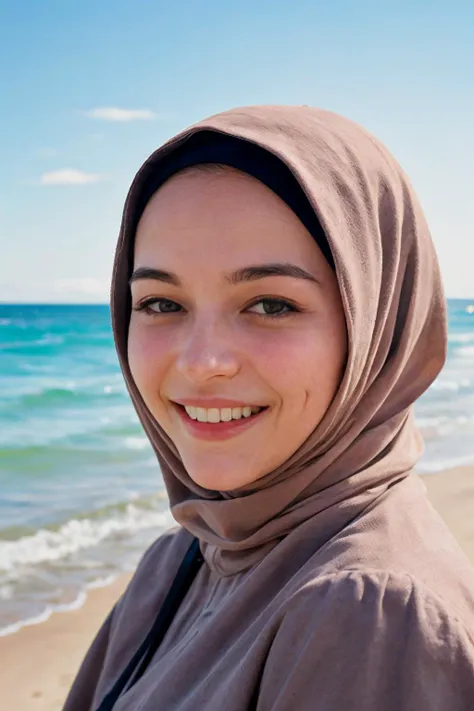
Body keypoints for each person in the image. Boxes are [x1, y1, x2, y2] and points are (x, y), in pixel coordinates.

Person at [63, 105, 474, 711]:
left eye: (272, 305)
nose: (202, 362)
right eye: (159, 303)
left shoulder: (367, 613)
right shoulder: (183, 557)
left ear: (377, 327)